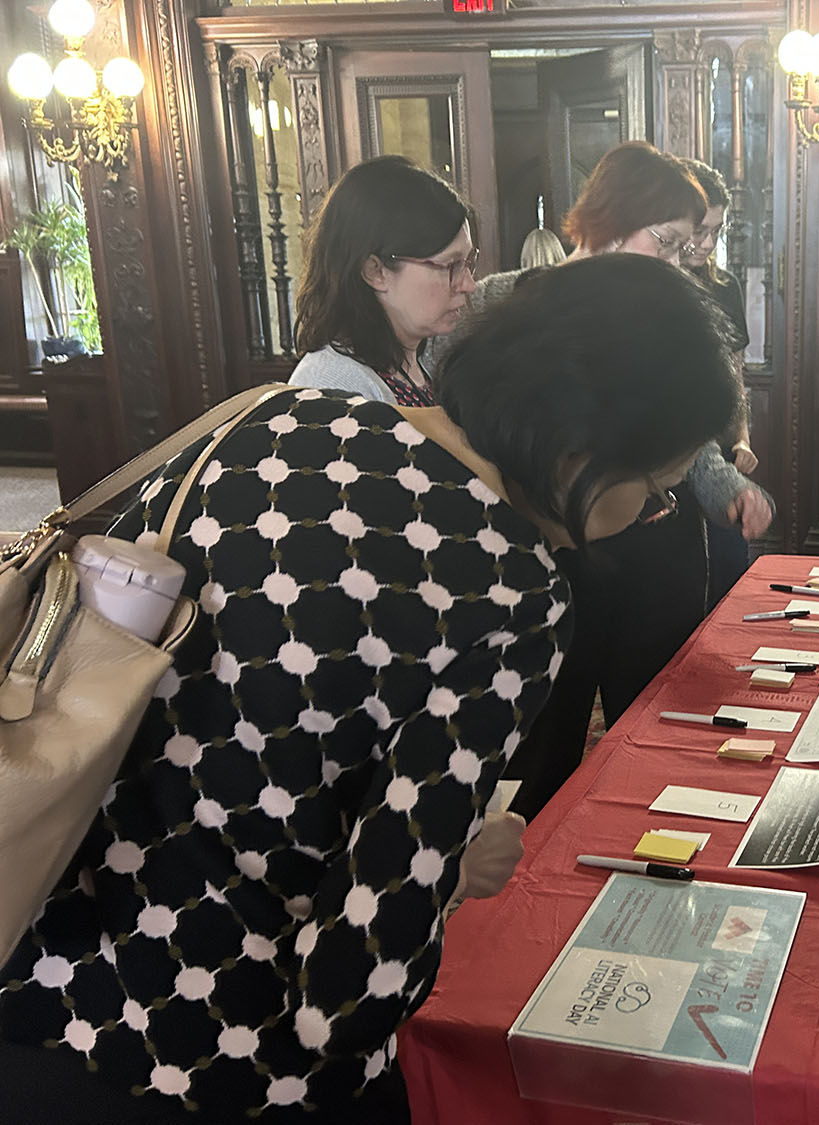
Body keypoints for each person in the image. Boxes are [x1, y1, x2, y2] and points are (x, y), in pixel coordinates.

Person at [0, 254, 740, 1123]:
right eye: (652, 492)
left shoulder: (274, 416)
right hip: (219, 1062)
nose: (646, 518)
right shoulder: (509, 588)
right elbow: (346, 994)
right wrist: (452, 873)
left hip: (34, 966)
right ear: (582, 448)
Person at [439, 141, 773, 822]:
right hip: (546, 564)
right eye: (672, 241)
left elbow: (678, 440)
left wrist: (720, 484)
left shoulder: (668, 310)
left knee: (655, 715)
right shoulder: (506, 303)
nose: (684, 262)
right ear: (612, 219)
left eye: (694, 243)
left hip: (648, 556)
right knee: (541, 745)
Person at [288, 154, 479, 406]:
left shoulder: (417, 364)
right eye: (450, 265)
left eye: (468, 263)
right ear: (374, 271)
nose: (468, 285)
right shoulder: (335, 389)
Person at [681, 158, 758, 605]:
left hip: (723, 443)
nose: (707, 243)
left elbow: (736, 373)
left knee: (731, 568)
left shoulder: (725, 286)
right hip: (674, 453)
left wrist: (744, 438)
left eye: (717, 231)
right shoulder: (654, 288)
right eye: (699, 231)